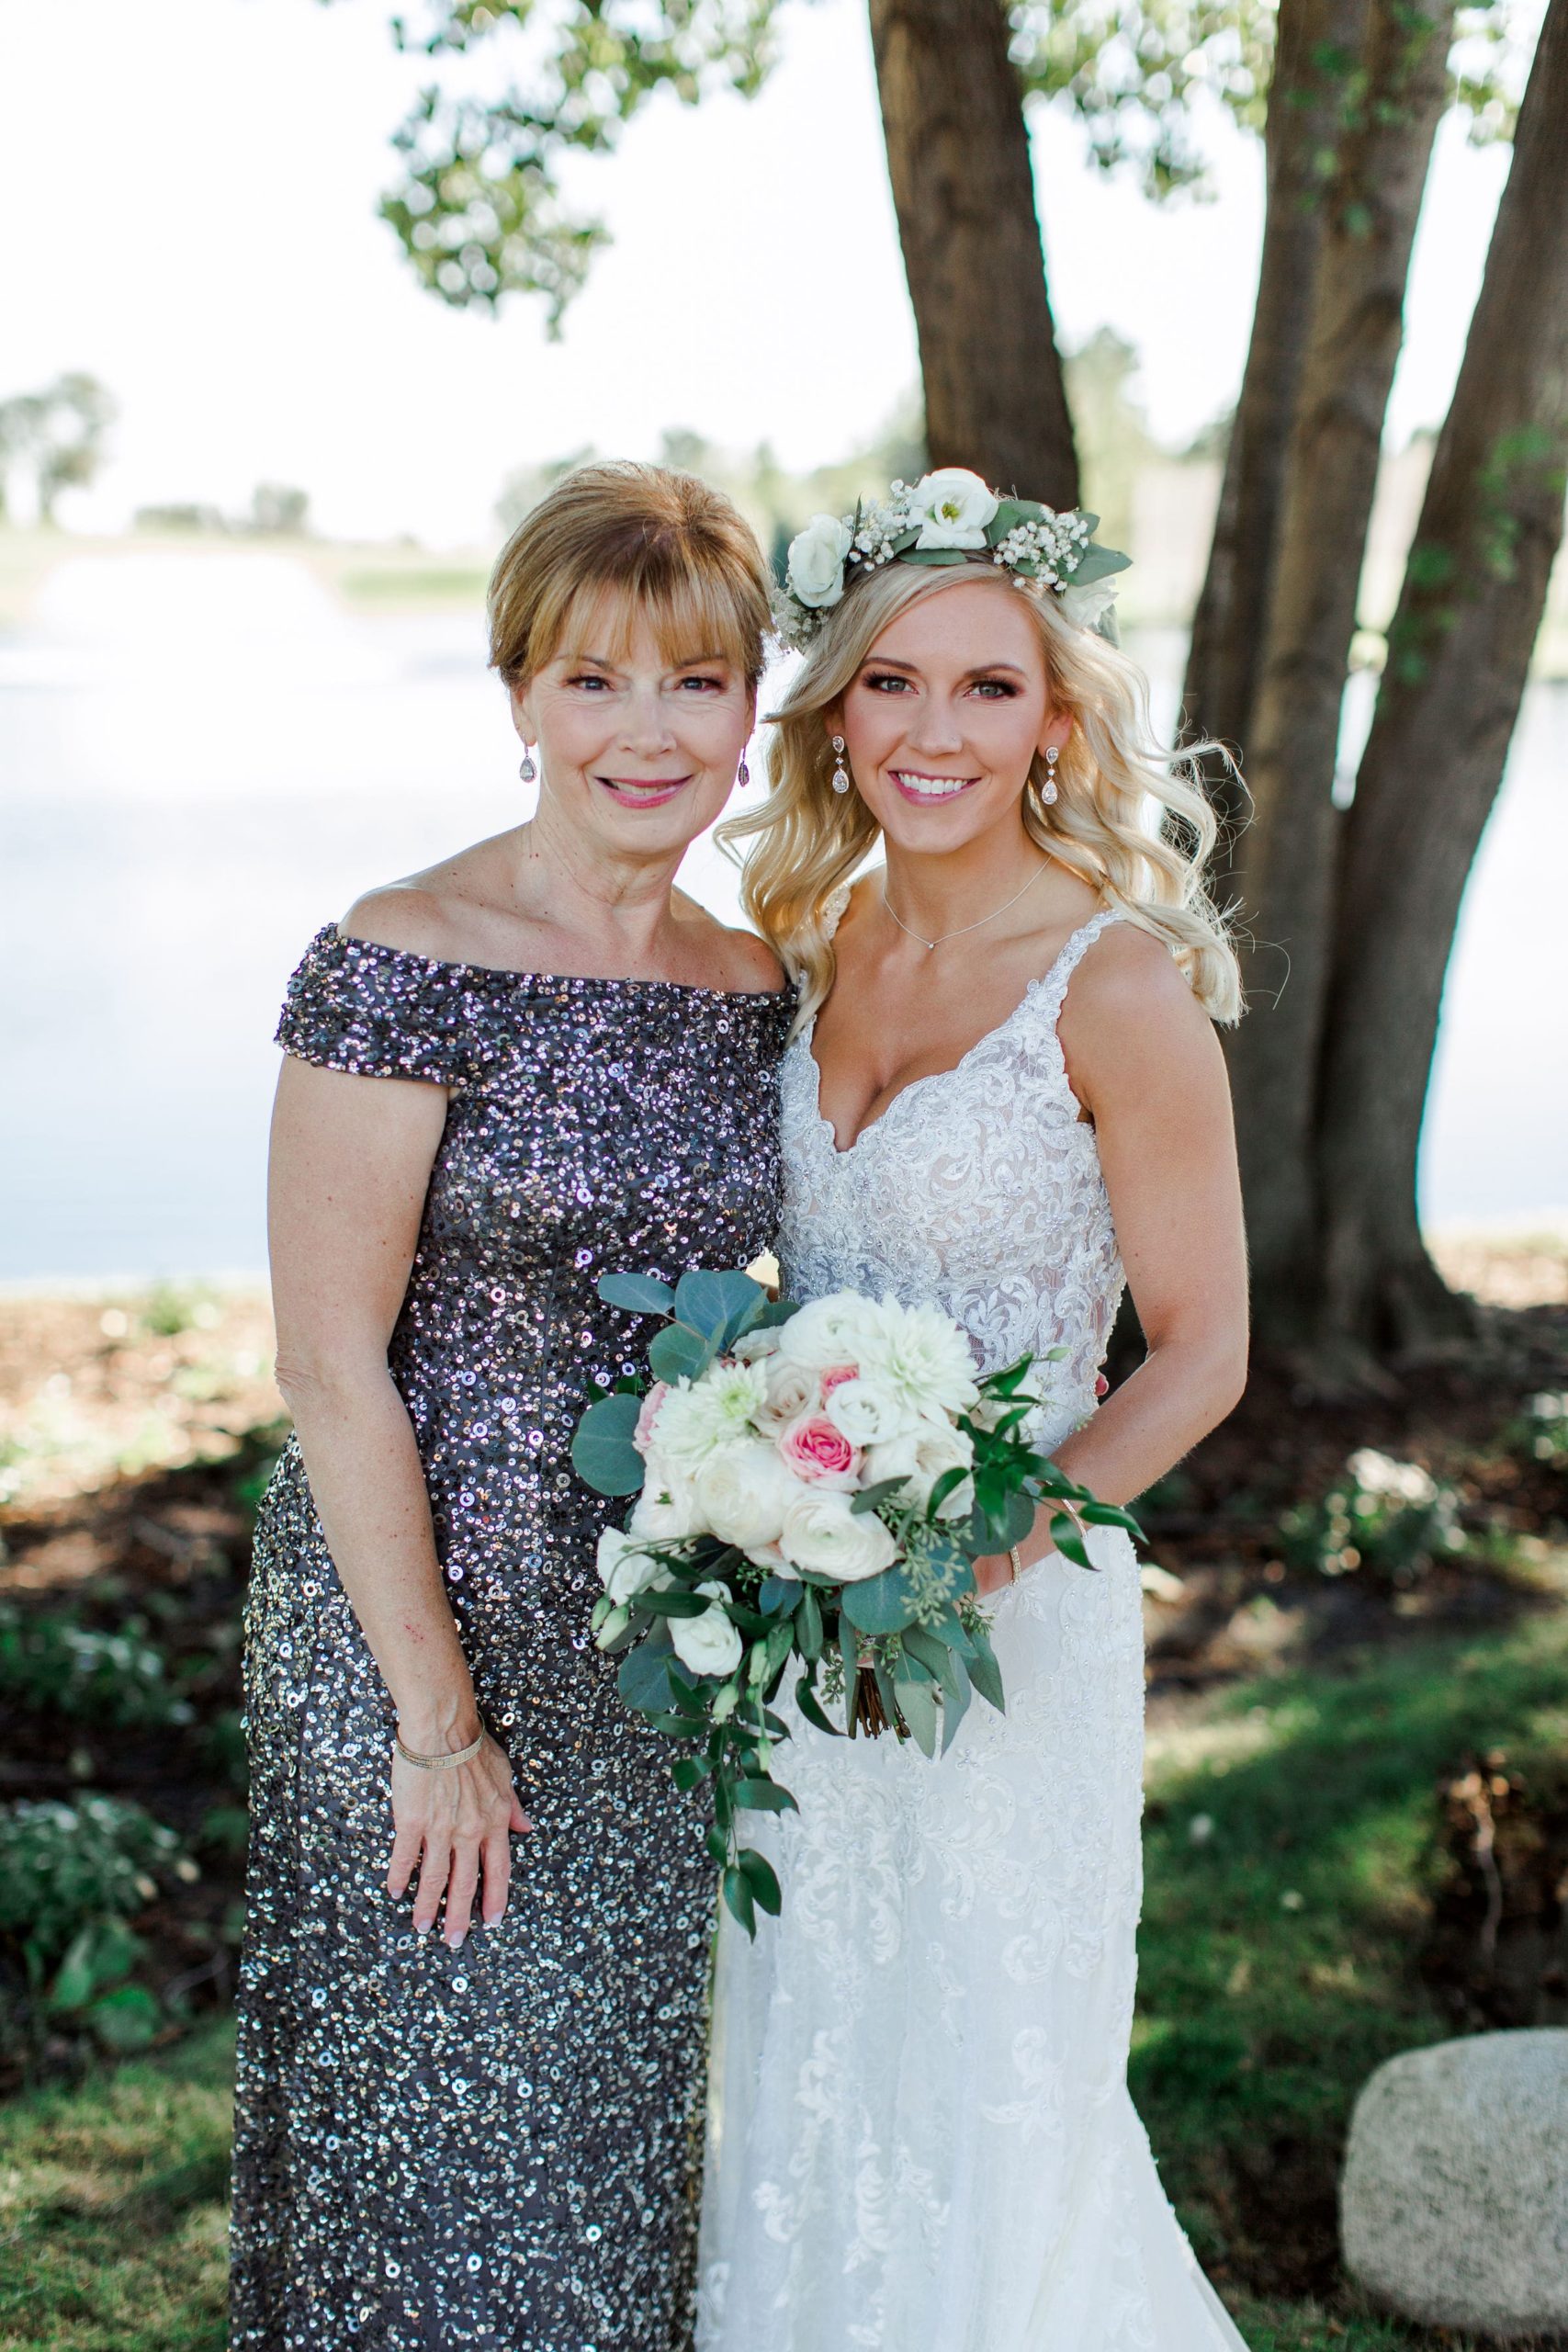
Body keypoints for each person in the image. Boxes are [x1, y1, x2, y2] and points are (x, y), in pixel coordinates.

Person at [230, 462, 793, 2351]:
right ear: (520, 696)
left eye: (695, 682)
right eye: (594, 679)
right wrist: (434, 1719)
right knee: (441, 2157)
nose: (646, 730)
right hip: (414, 1634)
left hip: (648, 1649)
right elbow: (326, 1361)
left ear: (747, 709)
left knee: (608, 2151)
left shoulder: (751, 984)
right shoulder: (404, 955)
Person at [697, 471, 1251, 2349]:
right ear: (834, 712)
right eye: (890, 683)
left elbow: (1197, 1350)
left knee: (992, 2063)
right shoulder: (813, 941)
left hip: (1005, 1618)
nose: (933, 731)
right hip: (803, 1603)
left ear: (1055, 717)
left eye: (987, 689)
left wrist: (977, 1554)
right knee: (817, 2041)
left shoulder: (1115, 985)